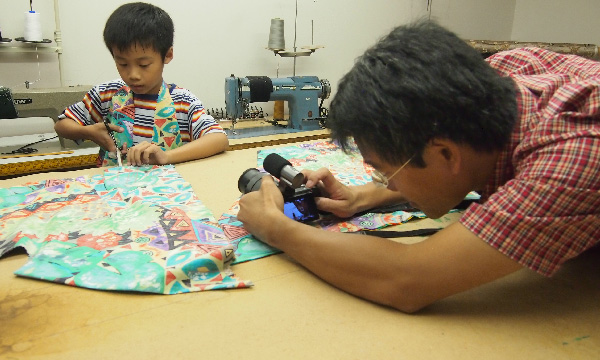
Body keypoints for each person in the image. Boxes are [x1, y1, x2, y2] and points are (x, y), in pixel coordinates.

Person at [237, 20, 600, 313]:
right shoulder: (504, 71)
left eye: (385, 173)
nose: (388, 184)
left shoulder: (573, 157)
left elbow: (408, 280)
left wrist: (276, 228)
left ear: (445, 154)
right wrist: (362, 198)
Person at [55, 2, 228, 167]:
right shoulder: (106, 94)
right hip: (115, 190)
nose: (133, 75)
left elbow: (219, 139)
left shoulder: (183, 102)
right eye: (123, 64)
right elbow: (62, 124)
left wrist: (166, 156)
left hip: (166, 192)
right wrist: (88, 132)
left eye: (144, 65)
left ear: (167, 55)